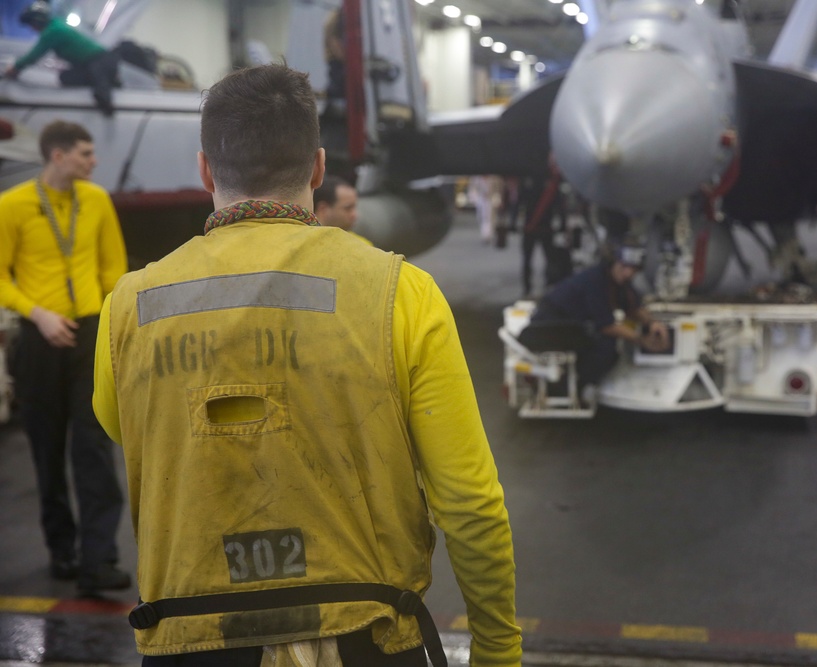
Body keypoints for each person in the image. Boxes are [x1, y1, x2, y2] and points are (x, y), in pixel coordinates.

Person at [92, 64, 520, 667]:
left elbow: (125, 427)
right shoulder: (400, 292)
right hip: (366, 634)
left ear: (206, 169)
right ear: (318, 167)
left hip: (190, 638)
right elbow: (472, 503)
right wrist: (498, 649)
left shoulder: (128, 307)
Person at [0, 120, 129, 591]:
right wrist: (38, 314)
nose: (94, 162)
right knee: (46, 450)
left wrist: (115, 328)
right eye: (85, 154)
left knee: (93, 447)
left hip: (90, 333)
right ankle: (62, 552)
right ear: (58, 156)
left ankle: (99, 559)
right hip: (39, 337)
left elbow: (114, 268)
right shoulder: (12, 207)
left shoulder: (96, 201)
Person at [527, 244, 671, 389]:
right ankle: (577, 387)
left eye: (633, 270)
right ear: (614, 263)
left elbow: (632, 307)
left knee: (603, 344)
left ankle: (575, 385)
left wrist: (653, 323)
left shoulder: (617, 282)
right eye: (624, 267)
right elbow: (606, 326)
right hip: (552, 325)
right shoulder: (596, 282)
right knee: (605, 349)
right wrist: (641, 340)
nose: (627, 273)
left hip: (568, 326)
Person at [4, 1, 120, 117]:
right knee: (66, 77)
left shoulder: (53, 31)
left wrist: (15, 68)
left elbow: (34, 55)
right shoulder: (56, 25)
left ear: (37, 21)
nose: (32, 29)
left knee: (102, 95)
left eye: (31, 25)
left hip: (100, 62)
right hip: (96, 63)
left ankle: (110, 110)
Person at [517, 160, 571, 296]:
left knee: (527, 259)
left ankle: (527, 288)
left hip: (530, 226)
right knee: (550, 259)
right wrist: (563, 225)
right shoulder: (551, 182)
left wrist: (512, 221)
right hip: (546, 227)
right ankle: (549, 286)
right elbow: (560, 206)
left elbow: (518, 202)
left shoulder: (526, 179)